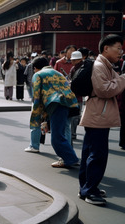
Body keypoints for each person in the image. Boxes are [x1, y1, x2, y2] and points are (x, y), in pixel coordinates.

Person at [78, 34, 125, 205]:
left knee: (90, 154)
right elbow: (105, 90)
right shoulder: (99, 66)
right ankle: (90, 191)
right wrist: (123, 79)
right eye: (118, 48)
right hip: (99, 115)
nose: (121, 52)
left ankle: (87, 188)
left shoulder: (106, 66)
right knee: (97, 155)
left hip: (97, 114)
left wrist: (118, 79)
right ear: (106, 48)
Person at [28, 56, 79, 168]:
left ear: (35, 68)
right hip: (70, 104)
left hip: (56, 104)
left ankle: (70, 159)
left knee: (56, 138)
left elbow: (37, 98)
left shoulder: (38, 75)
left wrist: (38, 118)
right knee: (63, 133)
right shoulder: (58, 73)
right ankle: (69, 158)